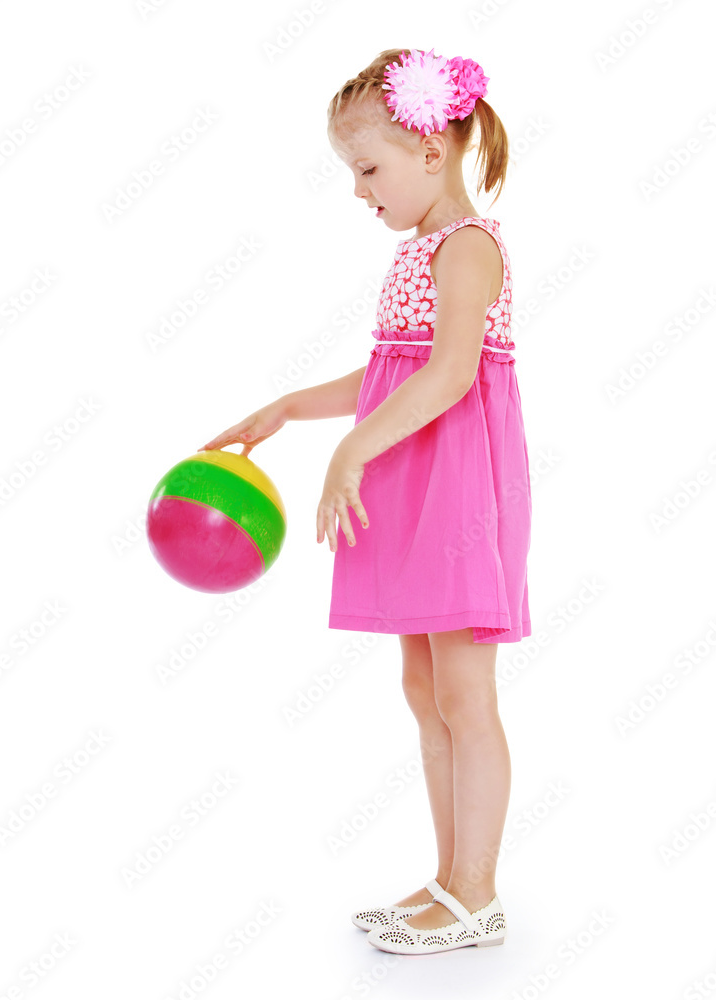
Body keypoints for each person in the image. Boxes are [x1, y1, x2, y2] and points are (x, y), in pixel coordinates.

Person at [197, 47, 532, 956]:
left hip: (454, 492)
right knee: (424, 689)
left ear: (430, 152)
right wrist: (291, 409)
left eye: (367, 168)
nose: (359, 191)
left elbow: (454, 373)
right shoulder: (423, 248)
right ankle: (448, 877)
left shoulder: (467, 247)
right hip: (413, 481)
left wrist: (353, 448)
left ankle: (478, 892)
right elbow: (392, 370)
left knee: (463, 691)